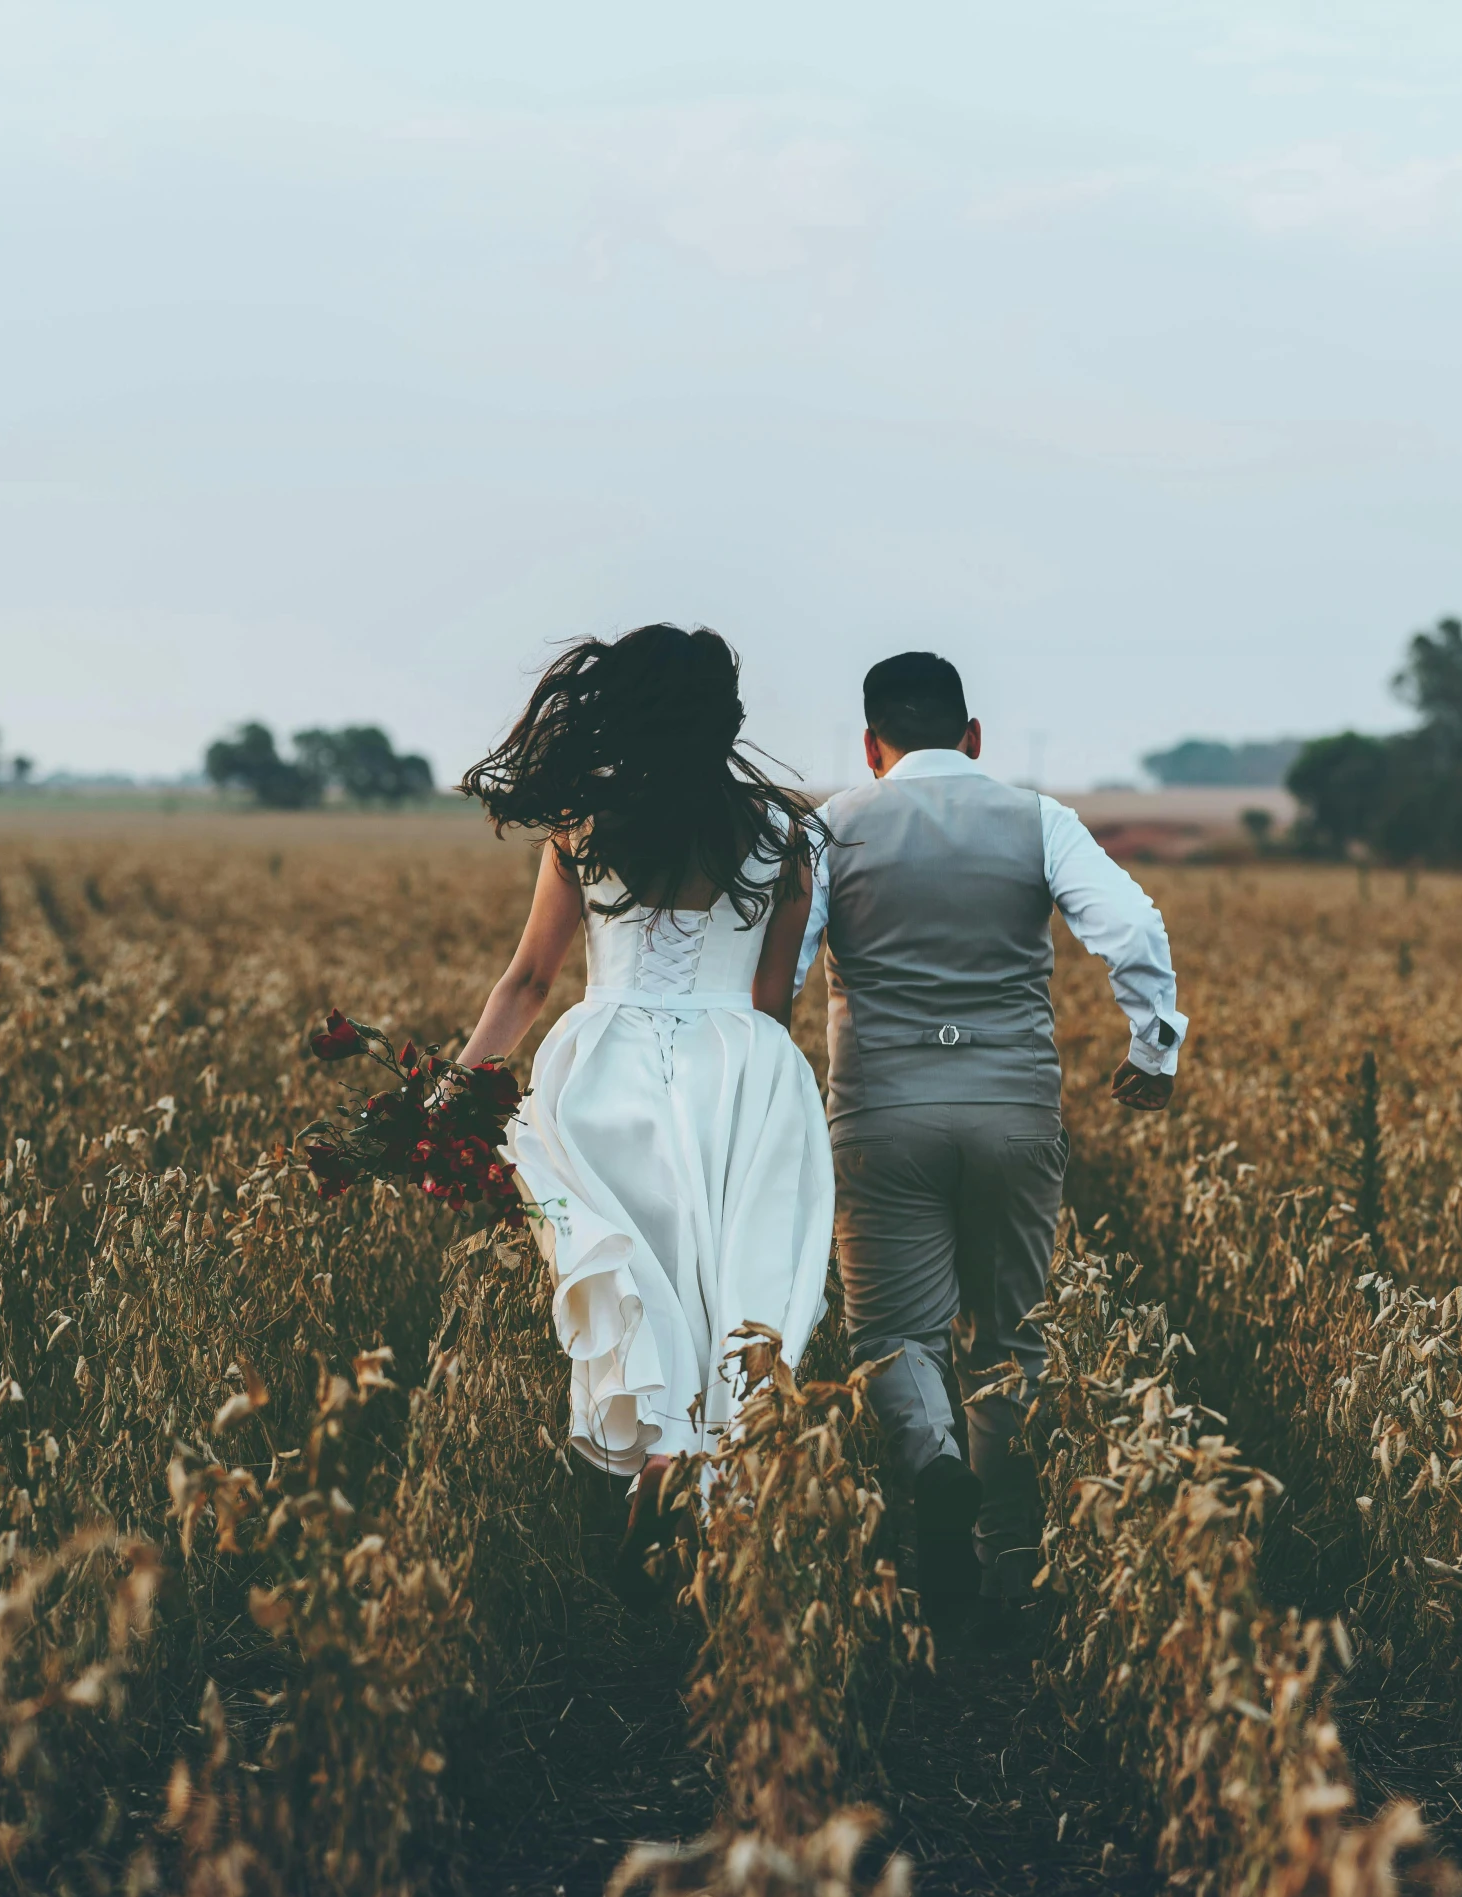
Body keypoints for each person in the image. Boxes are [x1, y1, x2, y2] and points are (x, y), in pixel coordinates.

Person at [795, 650, 1186, 1646]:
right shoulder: (1037, 819)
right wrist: (1153, 1048)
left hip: (881, 1117)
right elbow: (1132, 926)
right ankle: (1014, 1564)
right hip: (1014, 1110)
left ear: (871, 747)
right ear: (974, 739)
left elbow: (782, 967)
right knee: (1012, 1338)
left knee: (891, 1335)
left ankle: (932, 1467)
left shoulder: (831, 826)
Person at [457, 624, 834, 1594]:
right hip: (739, 1076)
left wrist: (452, 1096)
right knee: (726, 1297)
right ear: (725, 722)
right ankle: (694, 1486)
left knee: (633, 1289)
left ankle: (651, 1469)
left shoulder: (582, 828)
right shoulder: (784, 836)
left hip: (602, 1082)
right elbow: (772, 1004)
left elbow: (527, 981)